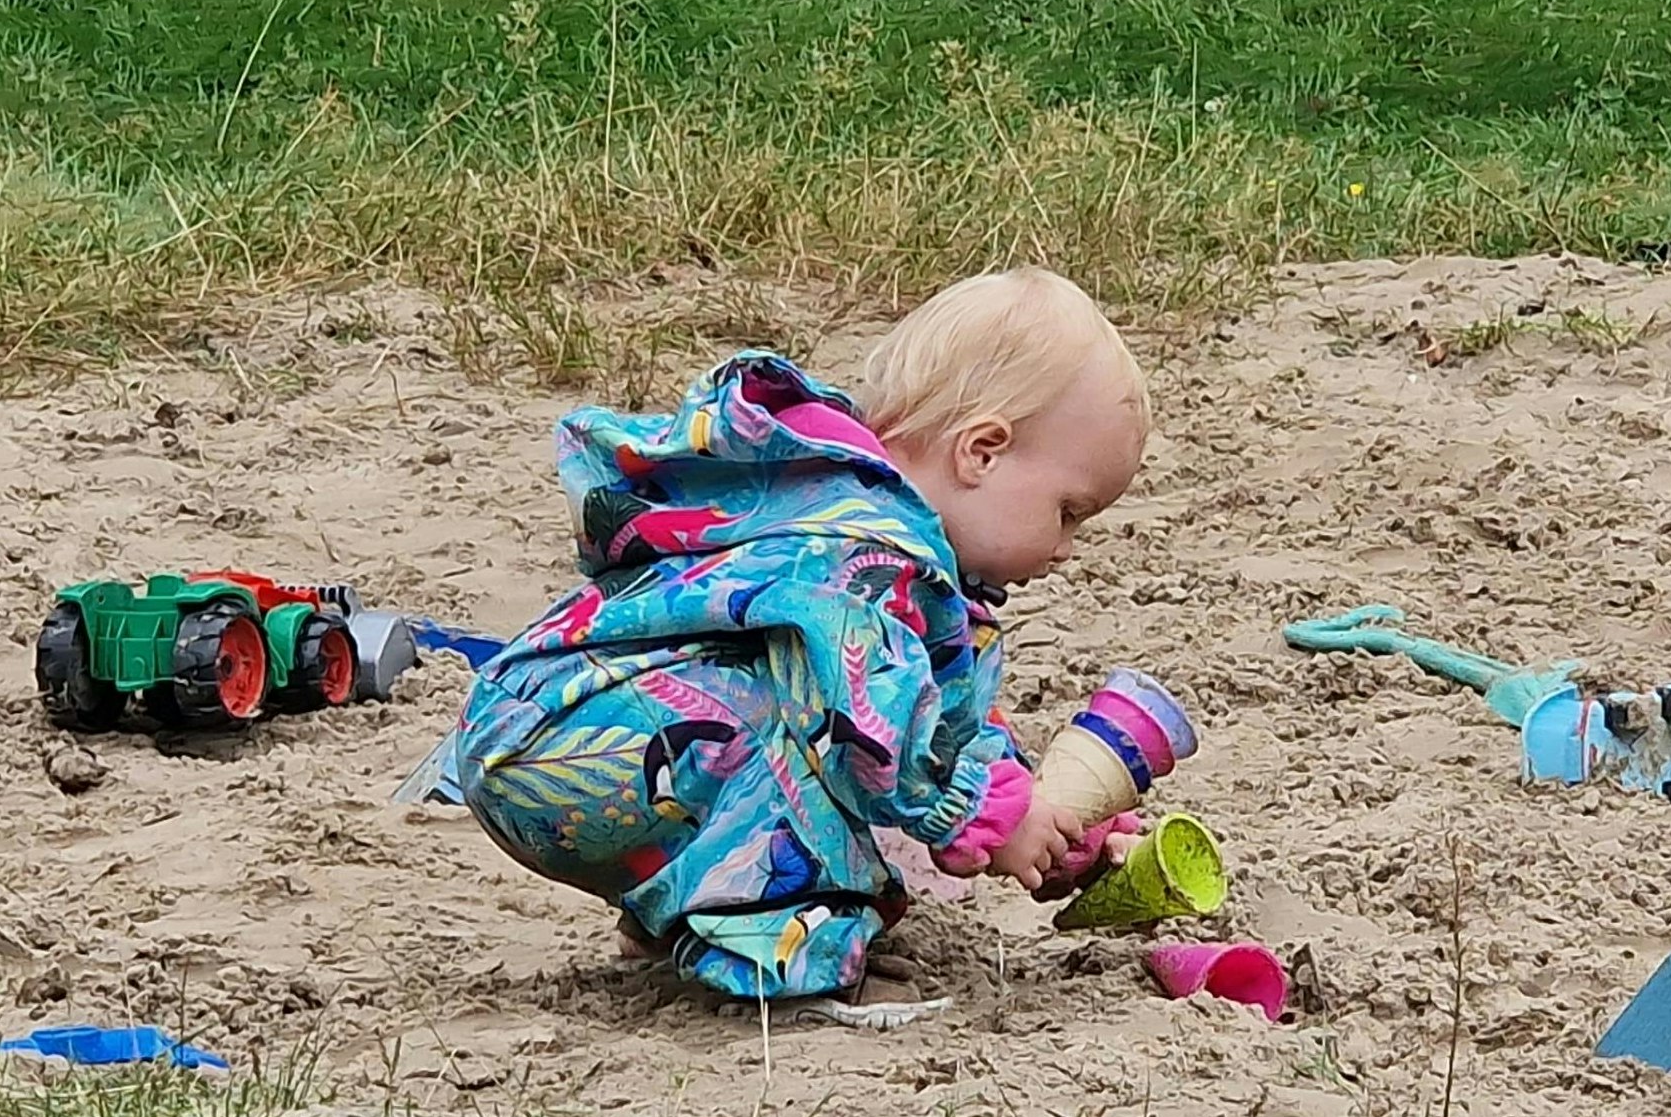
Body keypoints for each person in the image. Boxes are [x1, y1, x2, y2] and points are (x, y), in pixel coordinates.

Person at [445, 267, 1149, 1004]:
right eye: (1068, 511)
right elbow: (874, 727)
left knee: (780, 712)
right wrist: (983, 812)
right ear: (982, 451)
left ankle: (685, 915)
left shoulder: (865, 521)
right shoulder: (867, 549)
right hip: (571, 741)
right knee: (830, 740)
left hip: (548, 725)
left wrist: (1050, 821)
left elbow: (945, 720)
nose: (1069, 546)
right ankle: (780, 954)